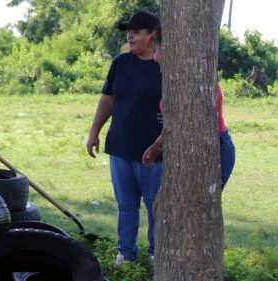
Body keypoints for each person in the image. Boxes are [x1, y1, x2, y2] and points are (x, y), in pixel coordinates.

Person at [85, 10, 163, 265]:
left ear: (152, 34)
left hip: (153, 149)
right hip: (119, 145)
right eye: (128, 31)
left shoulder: (165, 64)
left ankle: (156, 254)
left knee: (155, 205)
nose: (130, 36)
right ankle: (126, 253)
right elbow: (108, 98)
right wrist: (94, 131)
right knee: (126, 204)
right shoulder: (121, 62)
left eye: (136, 31)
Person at [141, 36, 236, 188]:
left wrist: (159, 143)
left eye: (156, 50)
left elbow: (189, 122)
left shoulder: (198, 79)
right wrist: (157, 145)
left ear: (169, 50)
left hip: (216, 148)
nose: (154, 57)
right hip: (186, 149)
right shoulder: (172, 80)